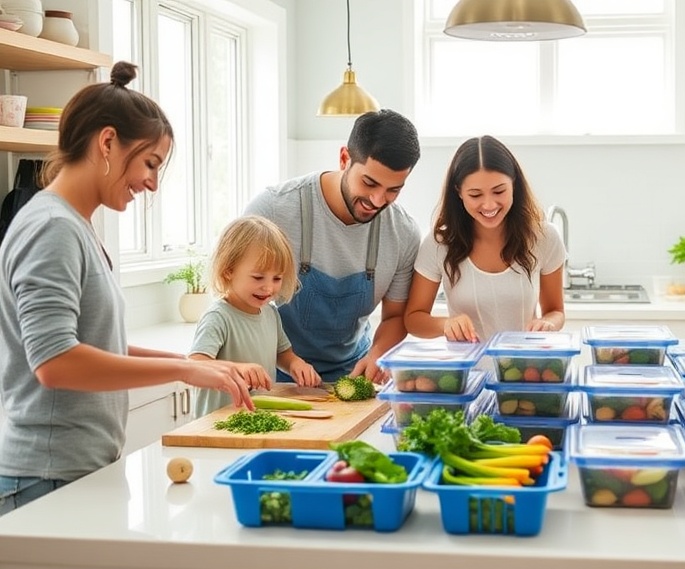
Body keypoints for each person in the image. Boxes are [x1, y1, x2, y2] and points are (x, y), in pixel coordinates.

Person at [0, 62, 269, 516]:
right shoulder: (52, 228)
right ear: (107, 142)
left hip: (70, 469)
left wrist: (195, 364)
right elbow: (56, 362)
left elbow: (98, 345)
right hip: (44, 477)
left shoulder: (75, 226)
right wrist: (184, 373)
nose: (152, 182)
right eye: (150, 162)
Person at [245, 109, 421, 384]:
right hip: (273, 374)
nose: (377, 200)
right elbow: (237, 300)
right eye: (369, 182)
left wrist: (377, 353)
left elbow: (395, 316)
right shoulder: (273, 210)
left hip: (352, 375)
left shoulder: (404, 234)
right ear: (344, 159)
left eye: (393, 190)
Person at [403, 136, 565, 342]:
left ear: (514, 184)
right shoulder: (439, 243)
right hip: (465, 372)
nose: (489, 205)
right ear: (459, 193)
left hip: (523, 369)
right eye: (475, 195)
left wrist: (548, 323)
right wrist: (446, 324)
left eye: (499, 191)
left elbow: (556, 311)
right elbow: (413, 319)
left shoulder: (544, 237)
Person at [189, 215, 322, 417]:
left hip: (254, 419)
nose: (268, 287)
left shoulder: (270, 313)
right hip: (217, 422)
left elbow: (282, 354)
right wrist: (237, 369)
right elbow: (195, 365)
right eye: (258, 277)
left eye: (277, 278)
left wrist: (296, 364)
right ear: (228, 272)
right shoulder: (219, 317)